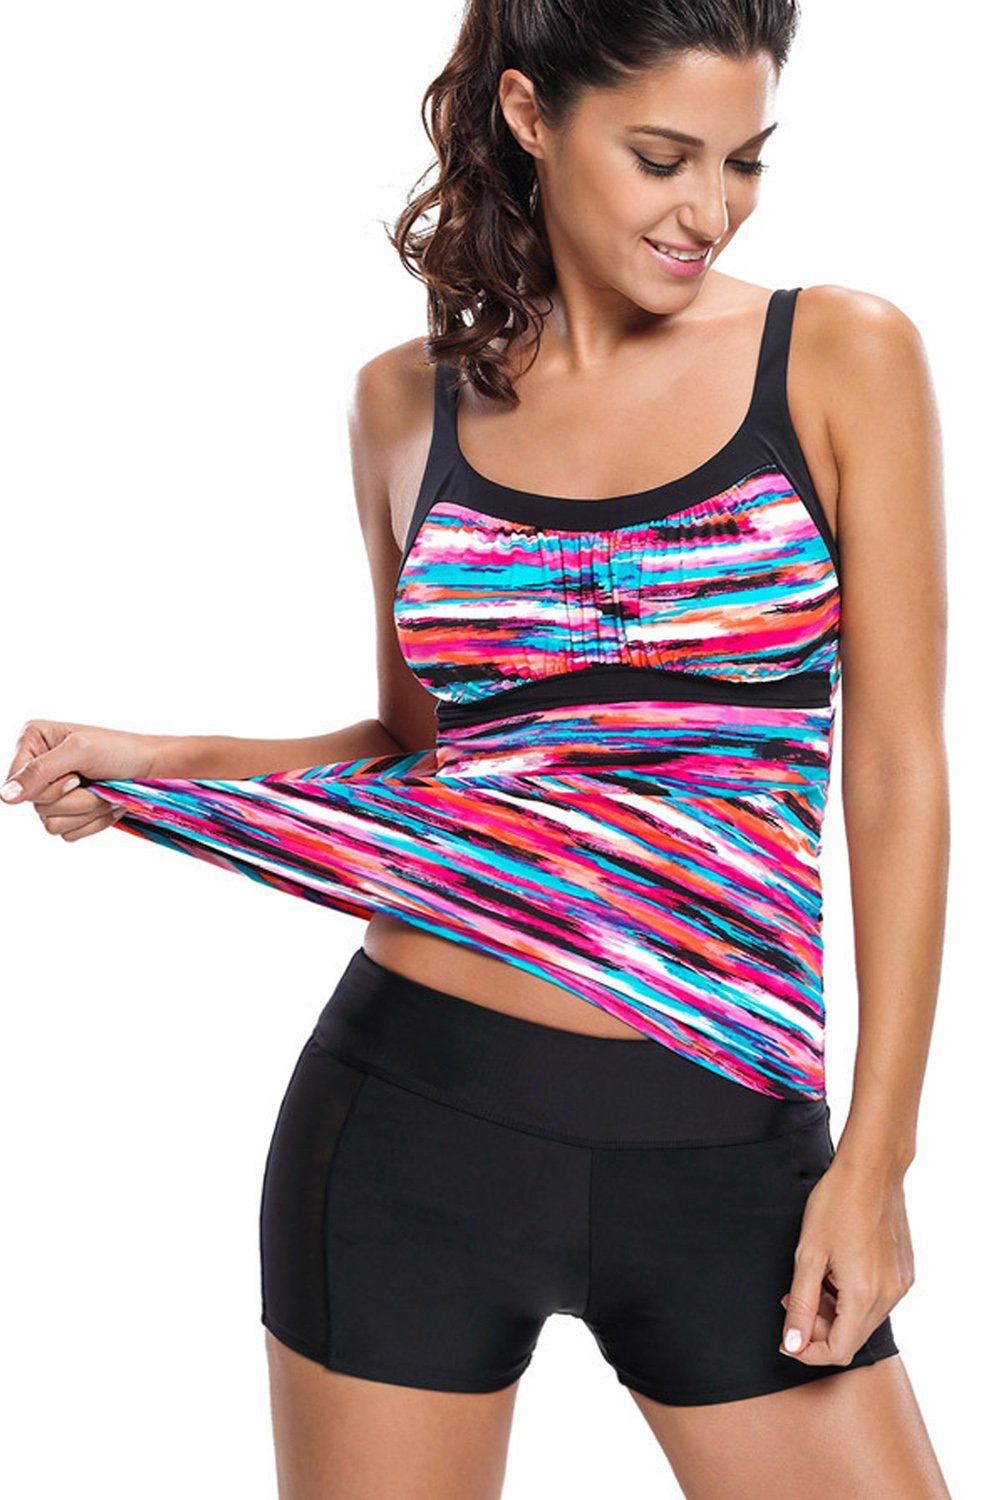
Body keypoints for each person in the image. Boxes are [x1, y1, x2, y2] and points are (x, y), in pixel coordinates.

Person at [2, 2, 952, 1496]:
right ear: (528, 114)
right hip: (408, 1123)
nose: (710, 211)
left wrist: (878, 1158)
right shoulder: (406, 401)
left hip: (724, 1139)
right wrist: (161, 769)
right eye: (663, 159)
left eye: (745, 161)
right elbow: (425, 757)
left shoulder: (838, 355)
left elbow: (895, 769)